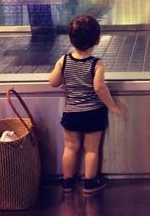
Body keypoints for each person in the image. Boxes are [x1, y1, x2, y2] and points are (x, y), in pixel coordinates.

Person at [49, 15, 124, 194]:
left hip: (72, 113)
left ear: (71, 39)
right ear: (97, 40)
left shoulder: (64, 60)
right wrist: (113, 106)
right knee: (91, 149)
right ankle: (90, 183)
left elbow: (53, 82)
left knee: (70, 147)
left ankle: (67, 182)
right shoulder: (96, 64)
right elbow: (99, 87)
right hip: (92, 113)